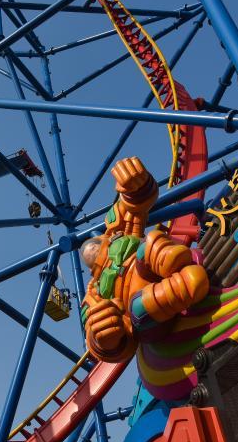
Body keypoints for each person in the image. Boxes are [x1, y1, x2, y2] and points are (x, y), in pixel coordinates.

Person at [80, 156, 209, 364]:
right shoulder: (93, 291)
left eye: (94, 247)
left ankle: (179, 266)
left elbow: (134, 202)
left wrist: (134, 182)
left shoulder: (118, 232)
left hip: (150, 266)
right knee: (138, 308)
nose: (91, 250)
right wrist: (104, 338)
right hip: (143, 309)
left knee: (149, 244)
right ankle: (181, 288)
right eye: (90, 252)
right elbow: (94, 336)